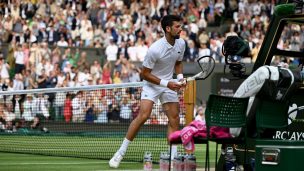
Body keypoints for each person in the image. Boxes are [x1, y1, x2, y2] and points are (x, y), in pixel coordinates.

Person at [109, 14, 186, 168]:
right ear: (168, 29)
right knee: (144, 115)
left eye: (180, 26)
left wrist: (180, 78)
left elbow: (178, 63)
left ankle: (173, 156)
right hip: (152, 83)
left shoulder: (181, 44)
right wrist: (166, 83)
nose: (180, 29)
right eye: (177, 27)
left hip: (169, 83)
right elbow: (144, 74)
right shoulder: (155, 49)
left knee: (174, 118)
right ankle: (120, 152)